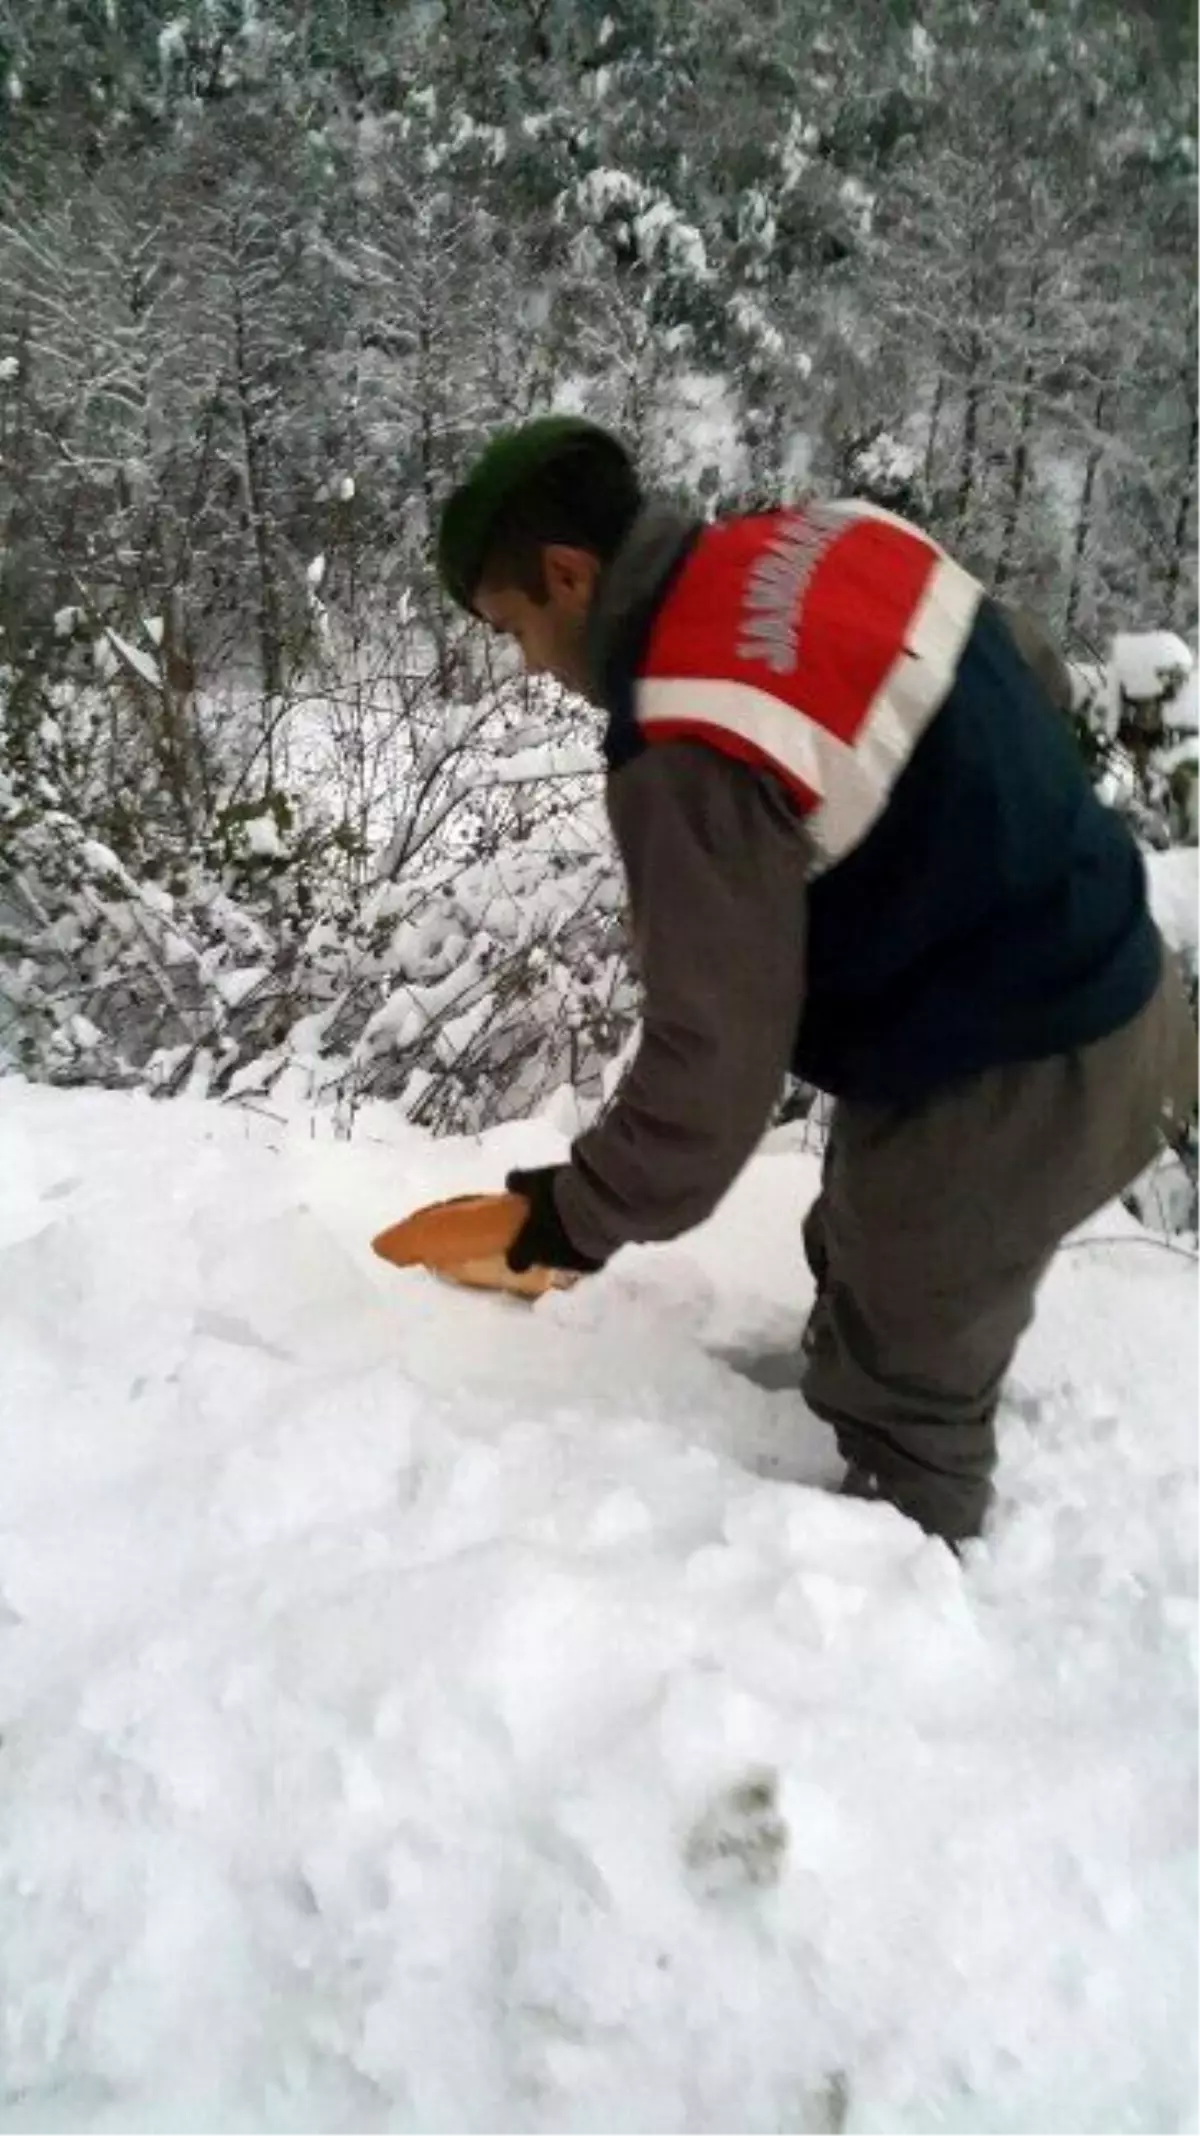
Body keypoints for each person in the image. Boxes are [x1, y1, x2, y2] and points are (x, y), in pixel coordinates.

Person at [435, 415, 1198, 1546]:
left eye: (516, 629)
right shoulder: (830, 537)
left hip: (1022, 1073)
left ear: (568, 575)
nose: (529, 667)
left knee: (902, 1398)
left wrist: (571, 1217)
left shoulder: (688, 740)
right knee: (857, 1248)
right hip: (1132, 984)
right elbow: (1033, 673)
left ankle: (889, 1645)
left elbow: (713, 1071)